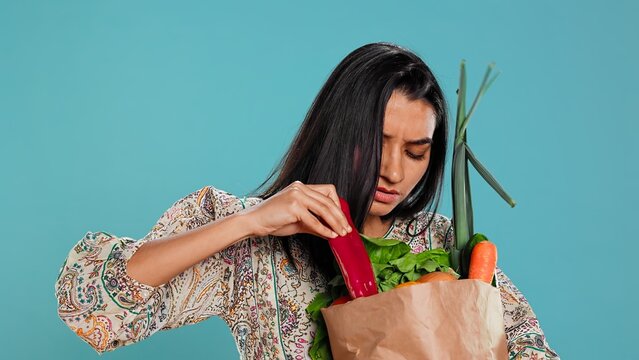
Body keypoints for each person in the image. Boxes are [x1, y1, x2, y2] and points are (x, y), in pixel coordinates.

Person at [54, 42, 560, 359]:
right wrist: (248, 223)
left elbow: (530, 349)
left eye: (416, 151)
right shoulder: (255, 249)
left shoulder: (443, 242)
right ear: (338, 132)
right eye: (377, 142)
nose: (394, 170)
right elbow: (95, 308)